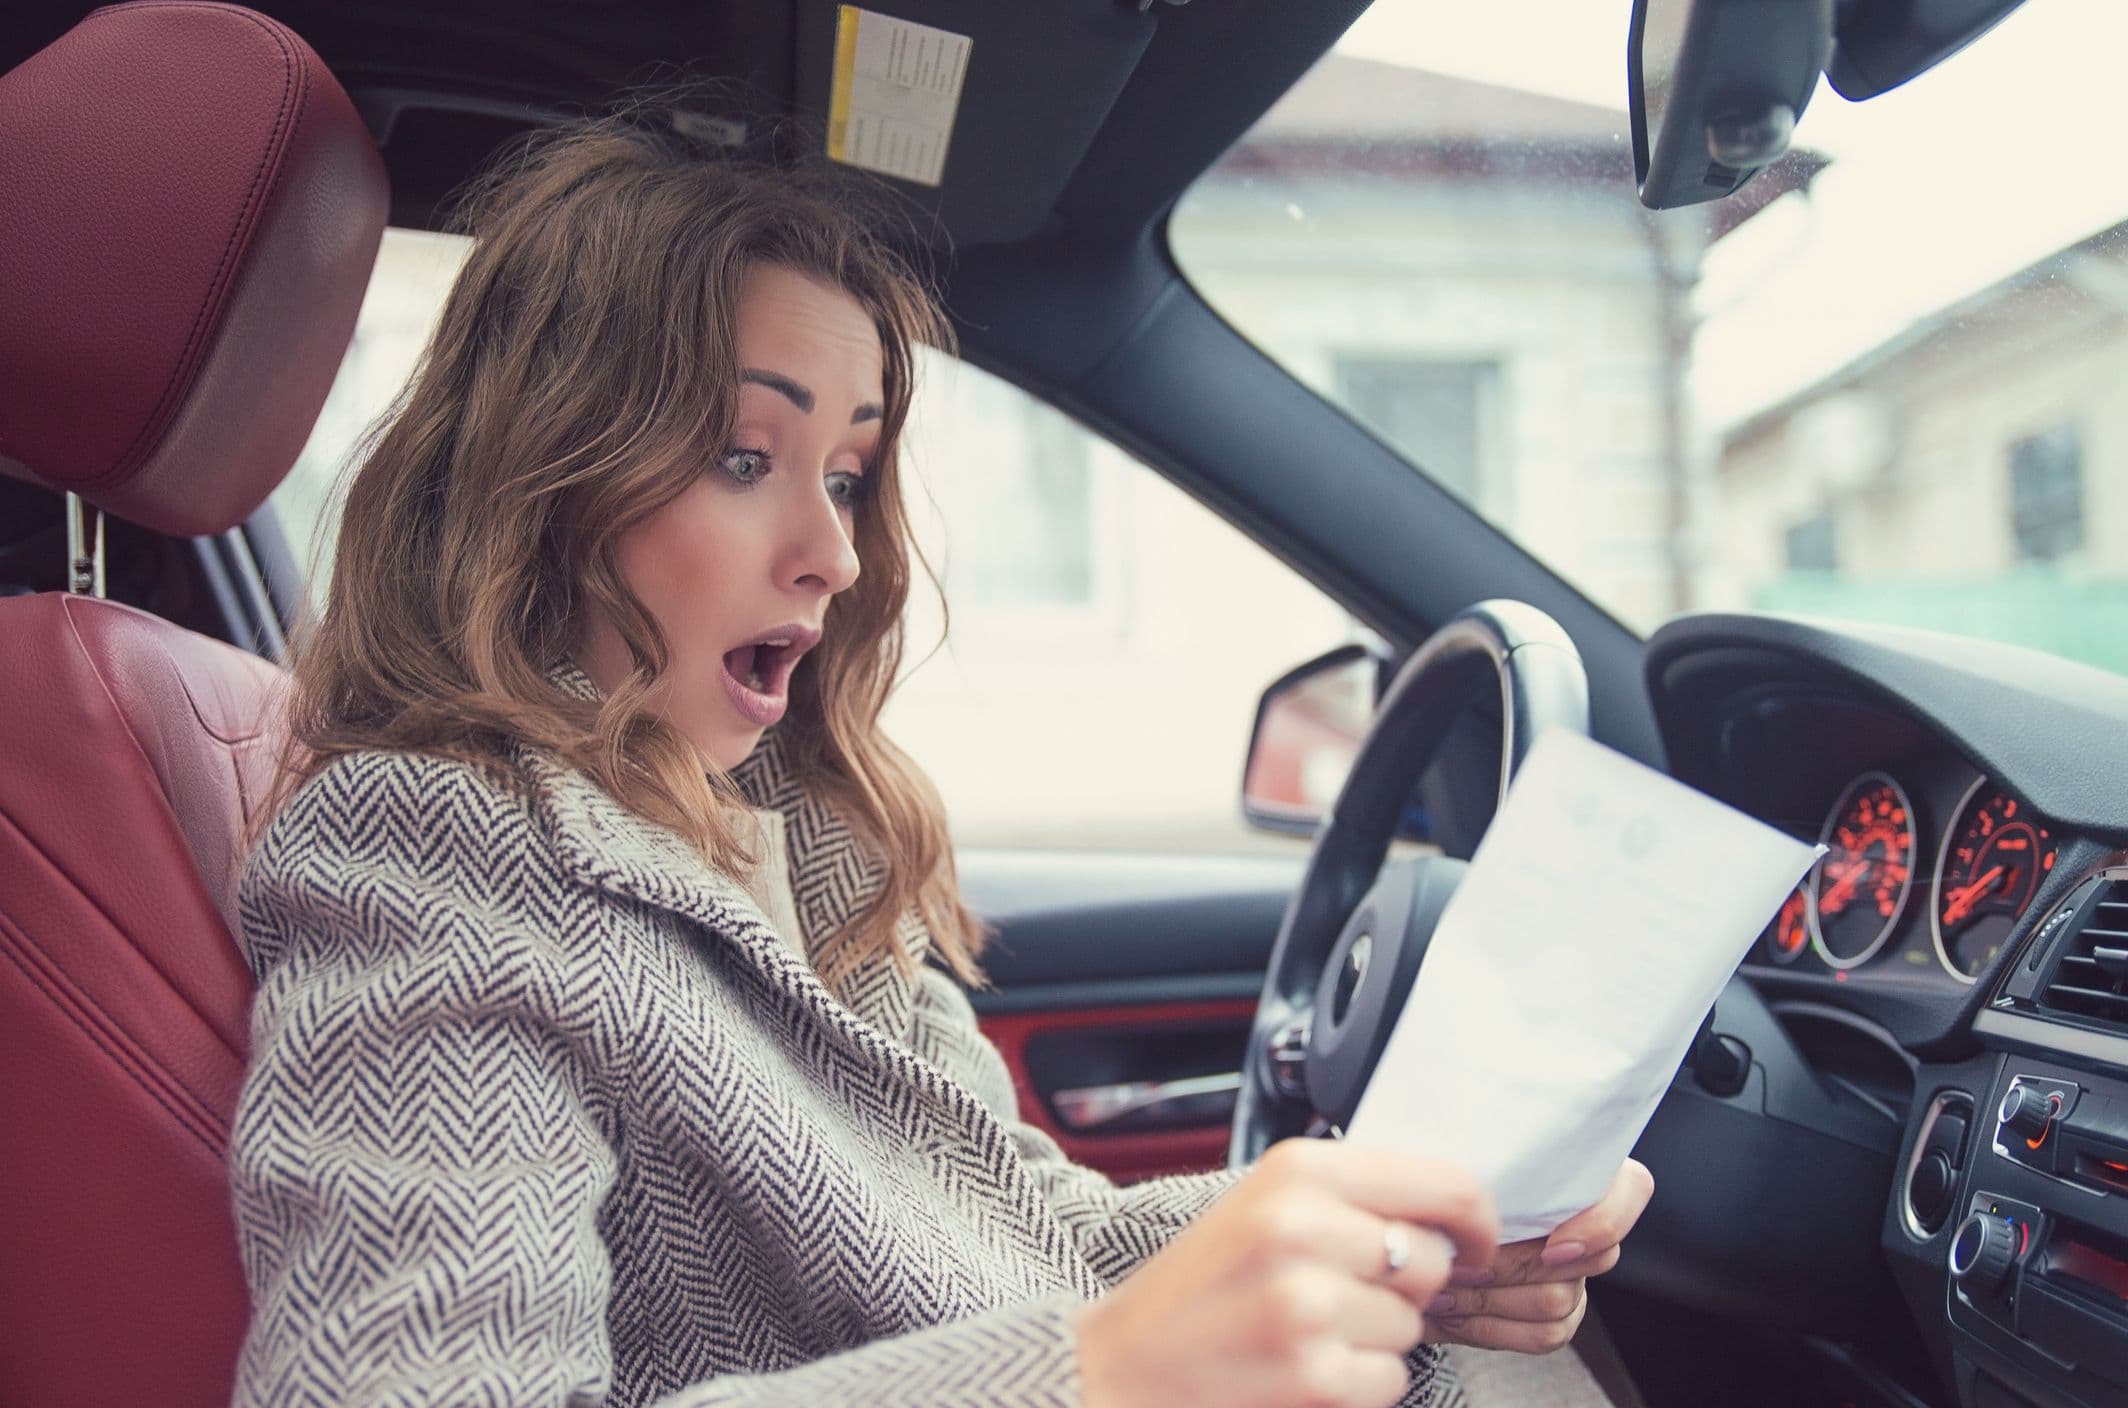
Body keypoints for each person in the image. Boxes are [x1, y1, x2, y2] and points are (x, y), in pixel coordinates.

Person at [228, 110, 1652, 1408]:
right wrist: (1098, 1377)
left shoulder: (795, 832)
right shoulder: (431, 843)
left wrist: (1374, 1244)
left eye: (846, 475)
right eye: (743, 458)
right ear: (546, 478)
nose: (835, 553)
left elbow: (1026, 1234)